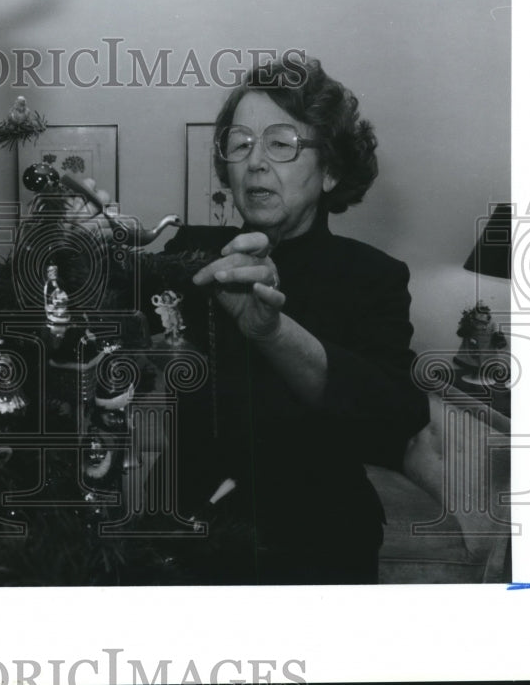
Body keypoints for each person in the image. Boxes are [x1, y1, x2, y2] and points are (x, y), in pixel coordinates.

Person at [69, 57, 430, 584]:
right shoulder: (191, 254)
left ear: (329, 169)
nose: (255, 162)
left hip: (318, 543)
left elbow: (393, 418)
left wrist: (274, 332)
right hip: (182, 528)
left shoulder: (372, 275)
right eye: (240, 144)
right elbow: (91, 325)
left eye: (281, 143)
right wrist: (78, 248)